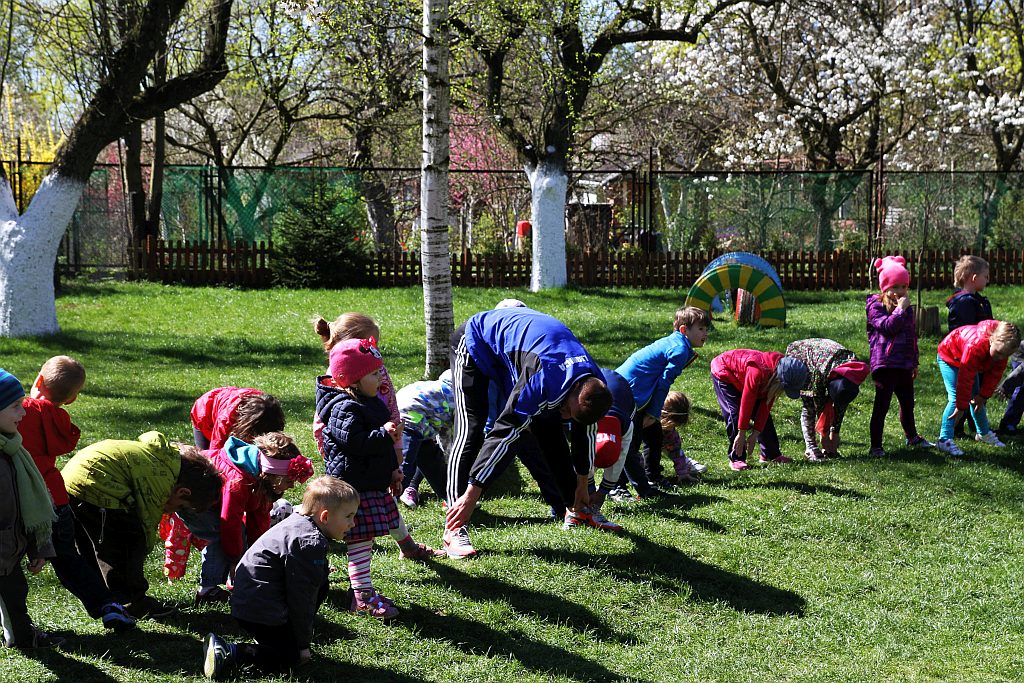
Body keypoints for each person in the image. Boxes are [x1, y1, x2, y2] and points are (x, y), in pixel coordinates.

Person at [444, 307, 612, 559]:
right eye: (566, 409)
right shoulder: (542, 377)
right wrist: (472, 494)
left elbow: (584, 433)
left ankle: (575, 509)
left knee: (548, 424)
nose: (565, 415)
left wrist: (582, 484)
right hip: (475, 340)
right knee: (472, 428)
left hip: (523, 350)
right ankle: (454, 525)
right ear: (574, 390)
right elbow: (506, 433)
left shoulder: (594, 384)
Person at [18, 356, 136, 630]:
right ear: (71, 400)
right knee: (69, 559)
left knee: (8, 564)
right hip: (55, 501)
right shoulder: (60, 421)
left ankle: (16, 622)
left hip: (20, 501)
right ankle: (107, 605)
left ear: (38, 381)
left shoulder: (20, 411)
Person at [313, 313, 442, 562]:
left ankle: (408, 547)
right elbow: (344, 434)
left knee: (387, 506)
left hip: (377, 448)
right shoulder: (341, 387)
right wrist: (387, 436)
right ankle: (331, 560)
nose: (375, 351)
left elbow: (389, 404)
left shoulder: (369, 371)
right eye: (370, 344)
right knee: (356, 514)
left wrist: (393, 455)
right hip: (359, 462)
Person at [202, 476, 360, 679]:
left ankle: (279, 637)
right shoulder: (308, 543)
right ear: (325, 517)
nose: (353, 523)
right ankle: (229, 651)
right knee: (289, 657)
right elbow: (301, 598)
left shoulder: (298, 523)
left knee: (320, 580)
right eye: (349, 516)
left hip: (251, 600)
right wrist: (302, 645)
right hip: (258, 608)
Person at [61, 431, 222, 619]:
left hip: (74, 481)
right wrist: (143, 549)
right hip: (98, 487)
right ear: (182, 492)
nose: (170, 511)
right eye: (179, 506)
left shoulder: (166, 461)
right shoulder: (161, 482)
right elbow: (146, 523)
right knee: (128, 543)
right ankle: (134, 602)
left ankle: (105, 599)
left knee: (92, 544)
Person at [316, 337, 420, 620]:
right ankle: (361, 595)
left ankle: (347, 583)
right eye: (374, 374)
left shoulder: (369, 401)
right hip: (352, 486)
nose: (380, 378)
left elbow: (379, 448)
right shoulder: (343, 407)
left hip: (370, 482)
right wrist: (383, 433)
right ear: (352, 380)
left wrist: (391, 470)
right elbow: (356, 443)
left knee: (366, 535)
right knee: (360, 538)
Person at [179, 432, 313, 606]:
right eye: (289, 480)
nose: (292, 485)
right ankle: (208, 589)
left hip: (211, 504)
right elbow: (229, 523)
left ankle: (237, 579)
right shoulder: (238, 482)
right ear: (273, 474)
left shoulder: (262, 480)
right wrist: (236, 560)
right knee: (220, 534)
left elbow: (259, 520)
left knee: (236, 538)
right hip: (189, 498)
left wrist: (257, 555)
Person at [614, 306, 709, 495]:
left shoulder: (677, 343)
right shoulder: (680, 349)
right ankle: (617, 486)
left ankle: (653, 476)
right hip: (630, 392)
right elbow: (664, 383)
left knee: (655, 435)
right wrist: (653, 412)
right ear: (684, 330)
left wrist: (653, 414)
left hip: (637, 390)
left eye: (706, 329)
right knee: (631, 441)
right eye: (700, 329)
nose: (705, 333)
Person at [0, 368, 63, 650]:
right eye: (15, 407)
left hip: (9, 550)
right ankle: (22, 638)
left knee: (14, 596)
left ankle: (23, 638)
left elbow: (33, 505)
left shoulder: (14, 449)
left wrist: (39, 546)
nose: (23, 413)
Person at [866, 255, 933, 457]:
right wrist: (900, 311)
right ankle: (875, 446)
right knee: (882, 406)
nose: (899, 292)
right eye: (894, 287)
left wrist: (914, 361)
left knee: (907, 403)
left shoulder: (905, 308)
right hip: (885, 365)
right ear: (884, 288)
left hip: (903, 364)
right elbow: (888, 328)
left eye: (903, 287)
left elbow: (911, 335)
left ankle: (911, 437)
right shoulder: (875, 306)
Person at [710, 349, 808, 470]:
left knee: (763, 416)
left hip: (745, 379)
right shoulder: (757, 371)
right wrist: (742, 433)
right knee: (734, 413)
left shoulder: (777, 372)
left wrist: (755, 433)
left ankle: (770, 454)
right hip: (724, 373)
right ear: (779, 380)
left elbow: (765, 407)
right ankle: (737, 458)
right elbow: (747, 401)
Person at [935, 320, 1022, 456]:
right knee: (955, 398)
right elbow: (965, 377)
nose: (1000, 358)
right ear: (992, 339)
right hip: (950, 357)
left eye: (1005, 356)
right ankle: (944, 439)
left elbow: (994, 374)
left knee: (977, 397)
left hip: (969, 363)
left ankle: (983, 433)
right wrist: (961, 406)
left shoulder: (1001, 350)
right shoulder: (975, 345)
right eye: (999, 353)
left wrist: (983, 395)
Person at [566, 367, 635, 533]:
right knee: (579, 455)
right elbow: (581, 453)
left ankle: (586, 510)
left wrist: (604, 491)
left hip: (622, 392)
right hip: (592, 381)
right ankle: (570, 510)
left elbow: (621, 457)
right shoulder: (584, 414)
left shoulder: (626, 426)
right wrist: (587, 486)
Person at [784, 339, 870, 461]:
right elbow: (819, 404)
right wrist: (824, 435)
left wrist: (835, 432)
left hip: (827, 362)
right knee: (809, 405)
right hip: (803, 355)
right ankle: (811, 448)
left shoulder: (851, 374)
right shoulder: (819, 374)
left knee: (838, 398)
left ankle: (828, 449)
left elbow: (841, 401)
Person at [946, 255, 993, 438]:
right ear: (974, 278)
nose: (987, 280)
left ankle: (976, 425)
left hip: (979, 354)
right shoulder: (964, 302)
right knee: (964, 390)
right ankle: (956, 428)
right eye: (985, 276)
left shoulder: (978, 300)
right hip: (965, 355)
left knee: (978, 389)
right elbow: (964, 331)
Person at [396, 370, 453, 508]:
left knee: (431, 460)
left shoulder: (438, 388)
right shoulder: (458, 400)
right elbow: (451, 437)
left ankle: (451, 497)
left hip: (412, 416)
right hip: (410, 420)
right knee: (405, 466)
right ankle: (388, 503)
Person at [191, 387, 285, 451]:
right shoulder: (225, 421)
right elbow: (216, 454)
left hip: (225, 402)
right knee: (205, 461)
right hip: (204, 414)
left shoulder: (270, 412)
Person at [658, 391, 707, 482]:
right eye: (670, 424)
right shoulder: (644, 422)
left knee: (674, 448)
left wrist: (682, 473)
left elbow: (675, 451)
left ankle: (686, 463)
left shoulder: (670, 434)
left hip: (664, 441)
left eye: (674, 425)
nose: (671, 427)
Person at [996, 341, 1024, 437]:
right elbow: (1020, 372)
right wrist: (1005, 386)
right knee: (1021, 390)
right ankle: (1008, 423)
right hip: (1021, 357)